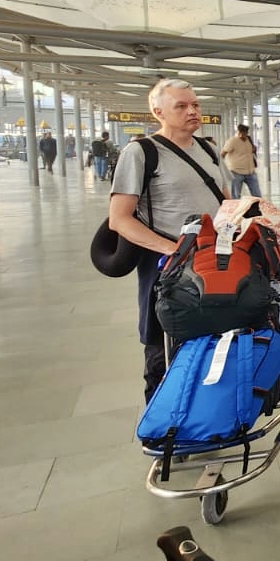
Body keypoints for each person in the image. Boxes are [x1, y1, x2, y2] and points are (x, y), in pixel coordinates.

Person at [109, 79, 230, 402]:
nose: (192, 111)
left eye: (196, 104)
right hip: (165, 266)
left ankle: (205, 418)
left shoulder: (209, 150)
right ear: (158, 111)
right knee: (162, 352)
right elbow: (119, 218)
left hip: (211, 263)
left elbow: (226, 202)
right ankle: (163, 424)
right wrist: (173, 250)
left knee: (211, 345)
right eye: (182, 106)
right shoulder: (141, 153)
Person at [221, 124, 261, 197]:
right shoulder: (232, 141)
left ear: (247, 132)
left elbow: (252, 152)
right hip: (236, 172)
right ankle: (237, 204)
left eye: (245, 132)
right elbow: (223, 153)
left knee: (257, 194)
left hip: (250, 172)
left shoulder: (249, 140)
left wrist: (254, 149)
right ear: (238, 132)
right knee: (236, 195)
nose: (243, 134)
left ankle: (257, 204)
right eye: (241, 132)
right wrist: (220, 166)